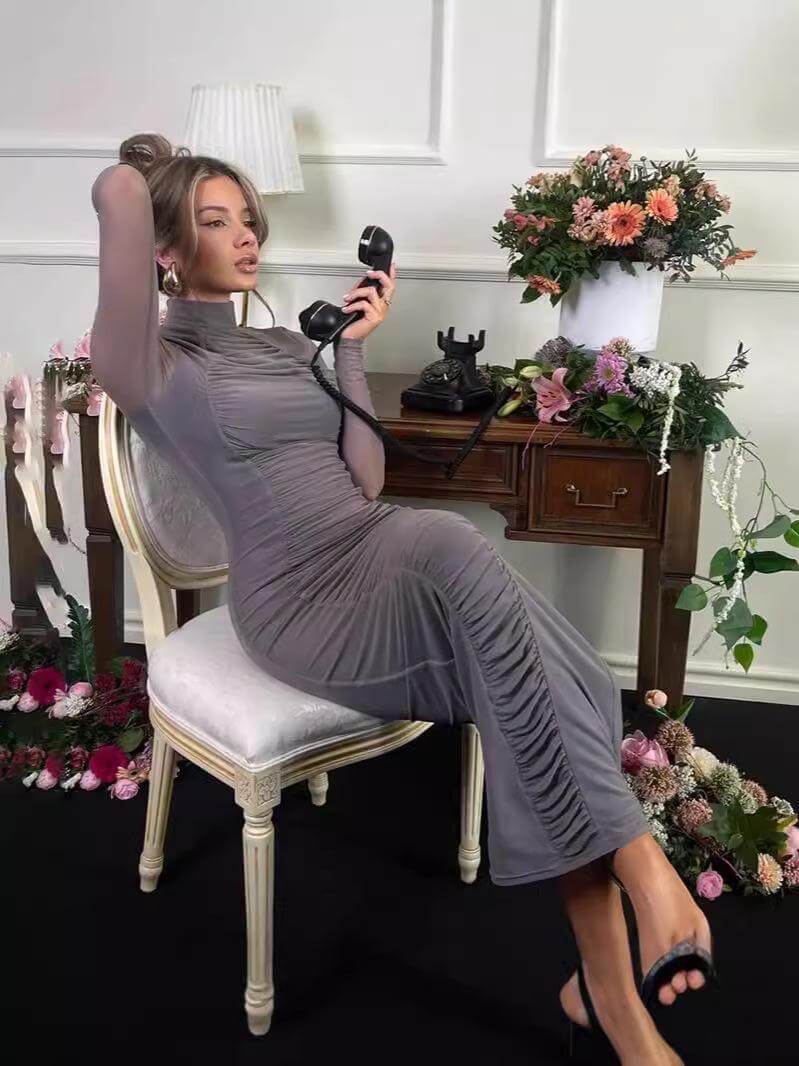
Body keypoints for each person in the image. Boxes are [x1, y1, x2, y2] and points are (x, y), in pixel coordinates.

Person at [90, 131, 715, 1064]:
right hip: (299, 601)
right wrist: (150, 166)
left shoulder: (282, 342)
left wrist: (348, 350)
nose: (247, 235)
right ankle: (642, 864)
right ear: (167, 249)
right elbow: (115, 192)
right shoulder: (149, 367)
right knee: (456, 545)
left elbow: (366, 480)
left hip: (373, 550)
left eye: (249, 218)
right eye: (216, 222)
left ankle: (610, 1000)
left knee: (562, 681)